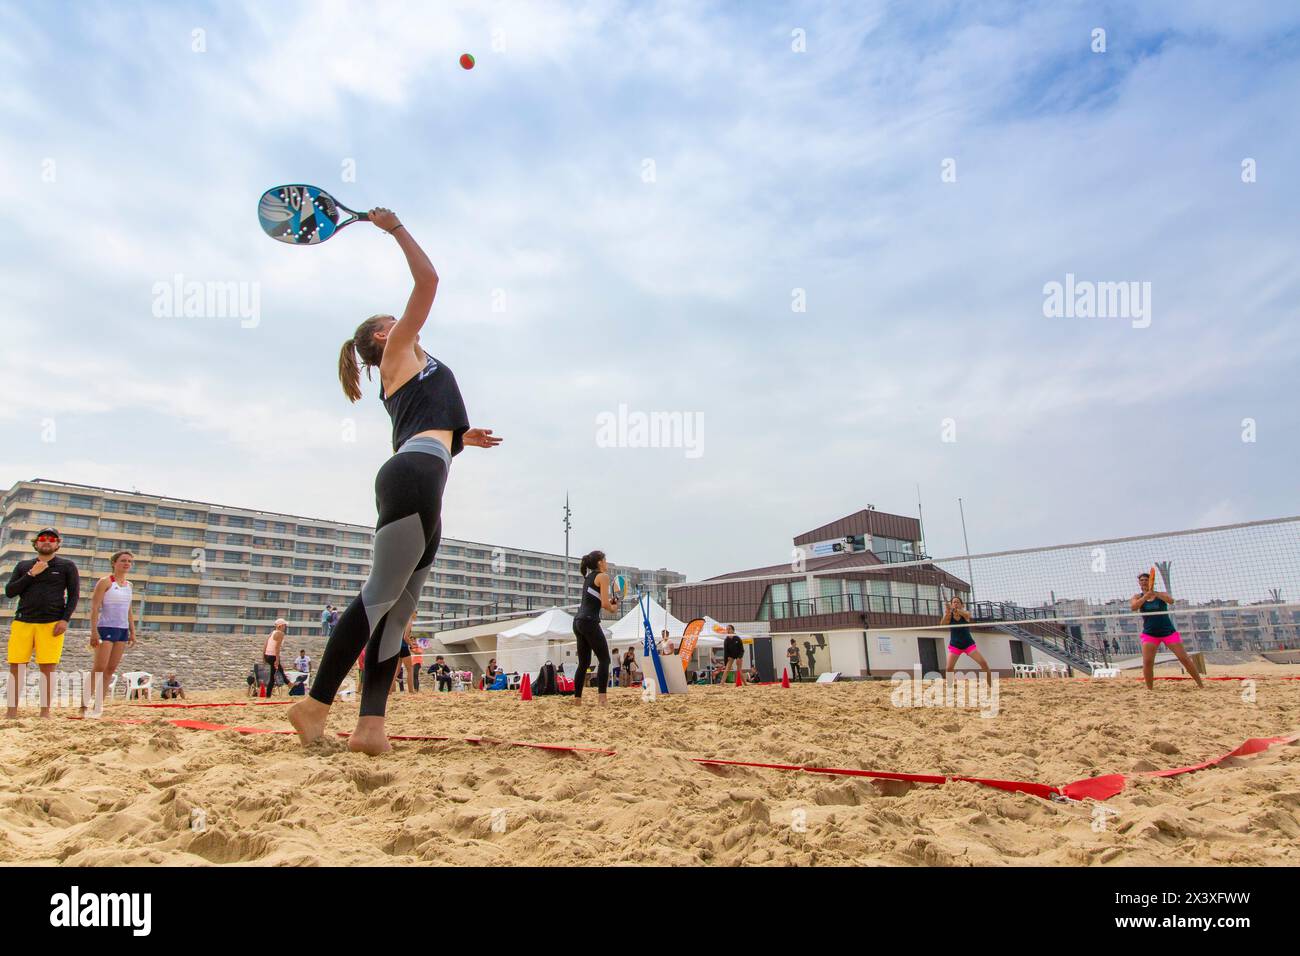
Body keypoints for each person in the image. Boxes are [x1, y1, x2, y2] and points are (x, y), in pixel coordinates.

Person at [287, 205, 502, 755]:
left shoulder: (413, 365)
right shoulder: (400, 349)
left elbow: (428, 425)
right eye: (396, 320)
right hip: (411, 475)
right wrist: (396, 229)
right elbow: (429, 281)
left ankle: (370, 727)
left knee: (398, 611)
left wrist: (462, 437)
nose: (406, 322)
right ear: (385, 334)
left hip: (428, 475)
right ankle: (314, 705)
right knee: (379, 596)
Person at [5, 527, 79, 718]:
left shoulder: (67, 566)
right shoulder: (24, 565)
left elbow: (74, 595)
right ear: (36, 543)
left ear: (58, 544)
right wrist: (31, 574)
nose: (47, 541)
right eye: (43, 538)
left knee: (47, 668)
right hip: (23, 621)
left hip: (51, 623)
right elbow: (10, 592)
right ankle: (11, 712)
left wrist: (65, 619)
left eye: (52, 539)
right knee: (17, 667)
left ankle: (44, 712)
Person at [84, 550, 136, 717]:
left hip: (122, 630)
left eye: (129, 561)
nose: (126, 564)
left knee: (110, 669)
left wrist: (132, 631)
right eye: (123, 560)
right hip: (106, 628)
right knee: (99, 667)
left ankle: (98, 706)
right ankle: (84, 704)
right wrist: (94, 632)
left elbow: (129, 610)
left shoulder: (129, 585)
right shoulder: (105, 582)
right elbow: (95, 608)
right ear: (114, 563)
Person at [1131, 571, 1204, 690]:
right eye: (1141, 580)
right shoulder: (1137, 597)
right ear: (1139, 583)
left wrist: (1154, 593)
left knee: (1184, 658)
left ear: (1151, 581)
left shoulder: (1160, 594)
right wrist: (1145, 596)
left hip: (1168, 632)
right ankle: (1150, 690)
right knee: (1148, 662)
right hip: (1150, 633)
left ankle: (1200, 685)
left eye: (1146, 580)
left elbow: (1171, 600)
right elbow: (1134, 607)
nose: (1144, 582)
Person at [571, 550, 619, 706]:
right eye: (605, 560)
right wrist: (613, 608)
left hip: (578, 622)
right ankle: (602, 699)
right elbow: (605, 604)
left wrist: (610, 603)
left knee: (583, 664)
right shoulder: (603, 576)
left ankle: (577, 700)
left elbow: (596, 600)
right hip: (589, 621)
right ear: (600, 562)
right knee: (604, 659)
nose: (606, 563)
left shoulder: (588, 578)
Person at [940, 596, 991, 680]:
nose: (956, 603)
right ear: (951, 604)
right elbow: (942, 624)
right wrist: (947, 613)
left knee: (983, 663)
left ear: (962, 605)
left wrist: (954, 610)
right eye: (954, 602)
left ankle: (990, 685)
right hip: (955, 645)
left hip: (968, 645)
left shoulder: (966, 614)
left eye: (958, 602)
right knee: (949, 668)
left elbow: (966, 614)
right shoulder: (950, 615)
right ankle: (950, 686)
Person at [262, 619, 290, 696]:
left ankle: (268, 694)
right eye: (284, 625)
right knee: (277, 673)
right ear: (280, 626)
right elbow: (277, 647)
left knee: (274, 674)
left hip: (267, 655)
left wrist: (264, 657)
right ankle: (289, 684)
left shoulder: (272, 633)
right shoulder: (280, 633)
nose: (285, 627)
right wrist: (277, 659)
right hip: (273, 656)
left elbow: (265, 645)